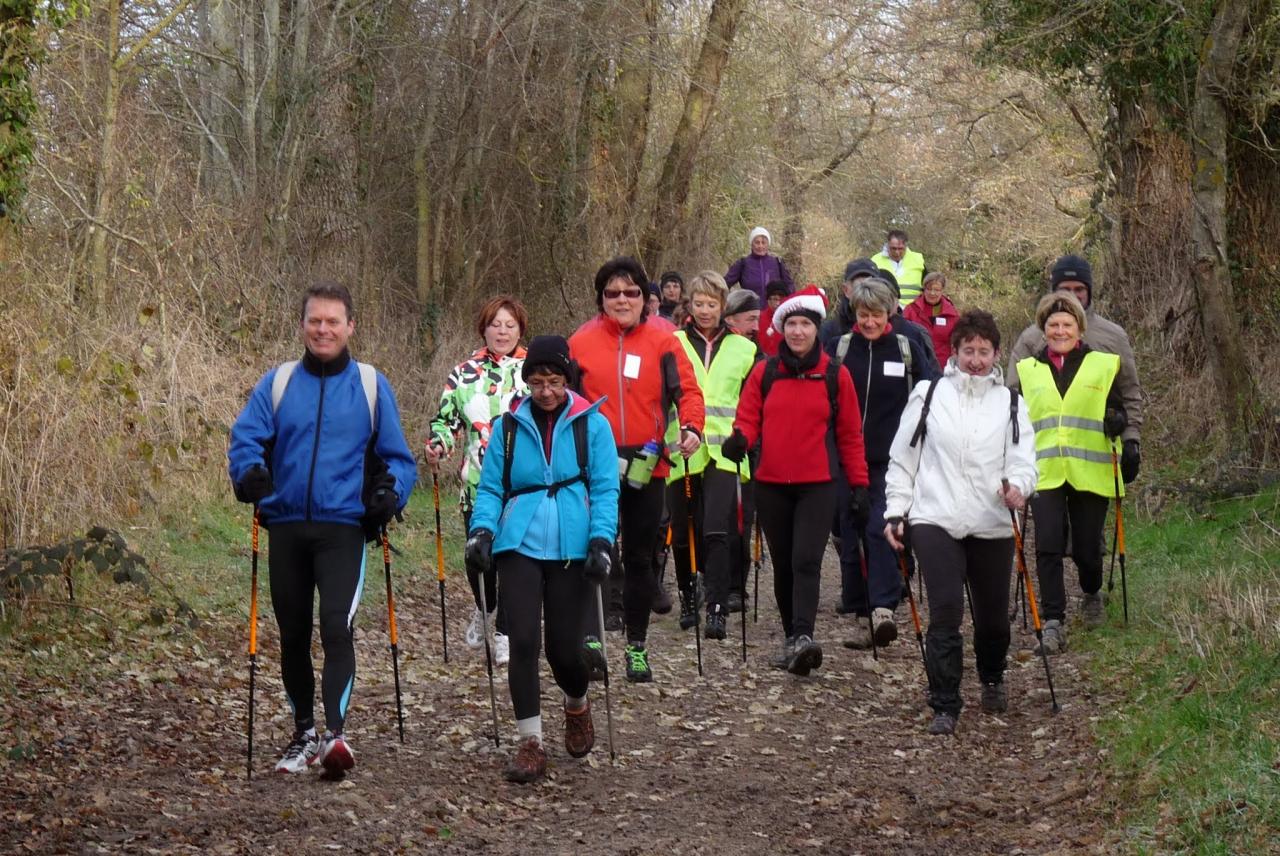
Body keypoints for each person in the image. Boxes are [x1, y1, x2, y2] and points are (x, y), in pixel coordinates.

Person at [228, 281, 418, 778]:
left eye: (333, 321)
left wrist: (389, 494)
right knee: (292, 633)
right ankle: (303, 732)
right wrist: (248, 473)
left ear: (350, 326)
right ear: (303, 325)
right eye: (315, 320)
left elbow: (399, 459)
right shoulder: (279, 382)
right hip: (286, 524)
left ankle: (335, 736)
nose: (323, 329)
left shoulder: (372, 385)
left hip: (342, 528)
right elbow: (246, 437)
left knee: (336, 625)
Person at [464, 336, 619, 783]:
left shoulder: (593, 424)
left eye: (553, 381)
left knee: (564, 650)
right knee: (524, 641)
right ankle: (530, 742)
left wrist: (601, 541)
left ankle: (576, 701)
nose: (545, 390)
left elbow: (606, 489)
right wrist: (482, 532)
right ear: (526, 380)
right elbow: (492, 487)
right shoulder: (509, 427)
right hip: (519, 543)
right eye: (536, 381)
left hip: (573, 545)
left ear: (567, 379)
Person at [883, 310, 1037, 735]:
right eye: (968, 351)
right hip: (935, 516)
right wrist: (896, 511)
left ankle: (992, 676)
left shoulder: (1010, 403)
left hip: (993, 521)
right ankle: (945, 703)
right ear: (953, 352)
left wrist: (1018, 487)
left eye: (983, 352)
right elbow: (903, 459)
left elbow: (1024, 462)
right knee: (946, 610)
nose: (975, 360)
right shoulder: (929, 395)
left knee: (992, 620)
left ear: (996, 354)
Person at [570, 256, 705, 683]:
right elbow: (564, 402)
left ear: (645, 299)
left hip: (649, 462)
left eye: (631, 292)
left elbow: (688, 392)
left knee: (641, 557)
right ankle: (592, 639)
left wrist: (692, 427)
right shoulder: (581, 342)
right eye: (613, 293)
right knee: (593, 550)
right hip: (596, 462)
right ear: (601, 299)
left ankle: (636, 646)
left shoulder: (664, 341)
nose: (622, 299)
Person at [722, 286, 871, 675]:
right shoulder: (765, 372)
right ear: (782, 328)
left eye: (806, 324)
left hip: (818, 484)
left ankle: (804, 636)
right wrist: (740, 440)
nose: (798, 331)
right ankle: (792, 637)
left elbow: (851, 436)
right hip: (770, 483)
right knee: (785, 564)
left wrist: (859, 487)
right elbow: (749, 417)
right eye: (792, 324)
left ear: (816, 330)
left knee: (807, 560)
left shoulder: (836, 376)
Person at [827, 277, 939, 650]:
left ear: (890, 311)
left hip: (893, 459)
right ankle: (860, 608)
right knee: (850, 528)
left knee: (880, 527)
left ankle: (884, 608)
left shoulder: (907, 350)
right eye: (863, 314)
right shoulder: (840, 349)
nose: (869, 322)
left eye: (876, 314)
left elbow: (928, 394)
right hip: (846, 456)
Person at [1012, 292, 1127, 653]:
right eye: (1052, 325)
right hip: (1044, 470)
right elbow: (1015, 418)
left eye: (1067, 324)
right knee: (1046, 545)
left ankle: (1091, 593)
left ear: (1080, 328)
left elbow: (1119, 407)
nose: (1060, 330)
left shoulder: (1104, 365)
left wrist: (1119, 423)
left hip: (1090, 469)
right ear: (1043, 330)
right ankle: (1053, 621)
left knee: (1088, 548)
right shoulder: (1027, 370)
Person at [424, 296, 530, 666]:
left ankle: (504, 631)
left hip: (522, 487)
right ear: (483, 328)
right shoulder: (464, 373)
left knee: (513, 561)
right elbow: (447, 421)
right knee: (479, 561)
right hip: (477, 485)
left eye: (509, 325)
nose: (502, 332)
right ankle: (485, 606)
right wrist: (438, 444)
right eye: (495, 325)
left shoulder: (532, 370)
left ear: (520, 330)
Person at [664, 272, 757, 639]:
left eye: (712, 305)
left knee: (718, 529)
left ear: (724, 307)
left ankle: (717, 605)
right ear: (689, 303)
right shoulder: (671, 343)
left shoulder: (745, 349)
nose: (705, 311)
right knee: (685, 531)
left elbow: (751, 403)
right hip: (681, 448)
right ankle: (689, 597)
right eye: (698, 303)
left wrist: (747, 438)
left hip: (726, 451)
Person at [1006, 254, 1142, 487]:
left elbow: (1129, 391)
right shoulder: (1031, 338)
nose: (1072, 295)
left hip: (1094, 461)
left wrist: (1131, 440)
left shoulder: (1113, 336)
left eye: (1079, 289)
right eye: (1064, 288)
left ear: (1089, 291)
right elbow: (1012, 396)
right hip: (1046, 463)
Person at [821, 259, 938, 370]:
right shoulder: (833, 340)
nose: (870, 323)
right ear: (846, 290)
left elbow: (929, 381)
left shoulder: (910, 338)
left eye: (872, 286)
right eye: (860, 287)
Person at [902, 272, 959, 369]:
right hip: (917, 364)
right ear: (923, 289)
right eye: (929, 289)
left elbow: (958, 342)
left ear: (942, 291)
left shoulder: (952, 314)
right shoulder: (910, 310)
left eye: (936, 290)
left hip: (944, 367)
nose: (932, 293)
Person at [724, 227, 795, 301]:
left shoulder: (777, 263)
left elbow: (790, 286)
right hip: (751, 309)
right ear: (752, 244)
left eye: (763, 242)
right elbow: (724, 284)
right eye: (757, 242)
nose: (760, 246)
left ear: (768, 244)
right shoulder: (743, 263)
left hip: (773, 310)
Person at [871, 229, 927, 307]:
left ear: (906, 246)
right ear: (887, 245)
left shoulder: (918, 260)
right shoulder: (875, 260)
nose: (897, 252)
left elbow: (928, 286)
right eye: (893, 248)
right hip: (885, 310)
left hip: (913, 312)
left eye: (900, 249)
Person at [758, 280, 790, 357]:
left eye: (781, 299)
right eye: (775, 299)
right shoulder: (758, 318)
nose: (778, 303)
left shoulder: (790, 319)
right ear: (768, 300)